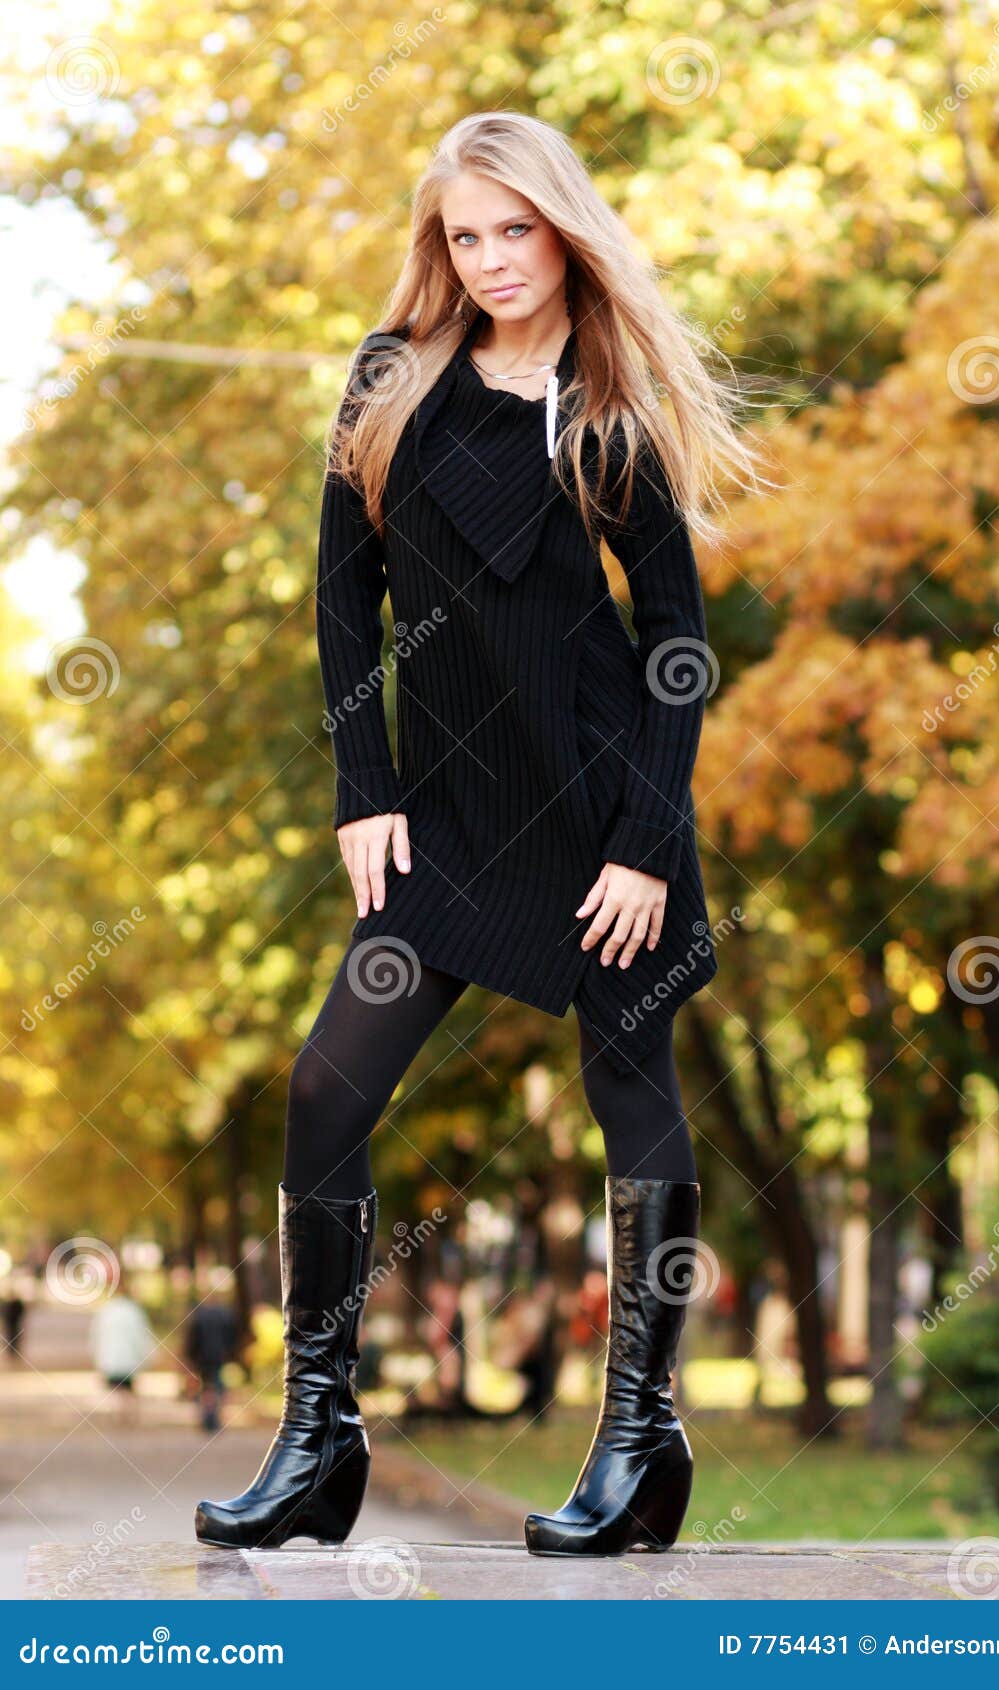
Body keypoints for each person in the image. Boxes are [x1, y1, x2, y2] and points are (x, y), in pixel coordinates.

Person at [195, 110, 762, 1556]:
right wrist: (360, 790)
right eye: (465, 234)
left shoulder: (606, 407)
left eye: (516, 230)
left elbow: (677, 641)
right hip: (439, 812)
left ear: (561, 231)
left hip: (595, 803)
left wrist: (645, 841)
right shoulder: (391, 383)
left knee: (630, 1091)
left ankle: (640, 1440)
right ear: (435, 248)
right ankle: (317, 1436)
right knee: (326, 1090)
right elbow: (342, 605)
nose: (492, 258)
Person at [89, 1277, 156, 1427]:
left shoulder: (106, 1310)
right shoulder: (133, 1311)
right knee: (127, 1388)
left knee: (118, 1388)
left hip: (113, 1358)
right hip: (128, 1358)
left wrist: (98, 1356)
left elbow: (97, 1336)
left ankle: (121, 1413)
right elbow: (142, 1335)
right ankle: (128, 1413)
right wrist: (146, 1354)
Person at [184, 1277, 239, 1433]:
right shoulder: (226, 1314)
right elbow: (232, 1336)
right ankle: (214, 1417)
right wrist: (230, 1352)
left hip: (202, 1357)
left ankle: (208, 1417)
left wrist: (190, 1357)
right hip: (219, 1356)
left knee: (207, 1388)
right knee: (217, 1386)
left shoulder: (198, 1315)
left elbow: (192, 1338)